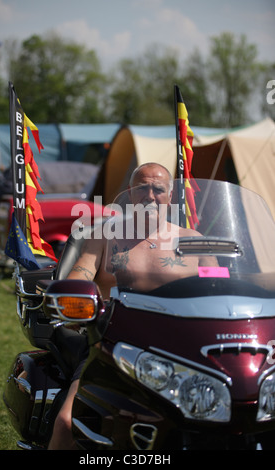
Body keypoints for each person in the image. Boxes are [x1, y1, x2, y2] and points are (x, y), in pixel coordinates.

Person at [48, 162, 216, 449]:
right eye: (142, 188)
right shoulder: (103, 237)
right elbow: (79, 277)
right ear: (130, 193)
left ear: (171, 195)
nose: (150, 196)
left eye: (158, 189)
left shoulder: (195, 241)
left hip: (184, 349)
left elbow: (218, 287)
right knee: (67, 423)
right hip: (111, 345)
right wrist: (74, 296)